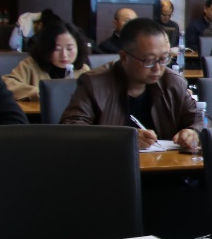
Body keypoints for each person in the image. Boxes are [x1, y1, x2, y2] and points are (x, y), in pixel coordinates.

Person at [60, 18, 201, 151]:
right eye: (149, 61)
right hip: (112, 165)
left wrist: (194, 132)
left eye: (164, 59)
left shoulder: (173, 82)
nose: (157, 68)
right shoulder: (95, 83)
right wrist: (123, 139)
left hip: (165, 165)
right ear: (124, 57)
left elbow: (200, 119)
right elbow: (72, 129)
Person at [1, 21, 91, 101]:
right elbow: (7, 84)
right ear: (47, 48)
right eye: (57, 49)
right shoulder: (30, 65)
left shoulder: (83, 70)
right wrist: (39, 93)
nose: (64, 55)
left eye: (69, 48)